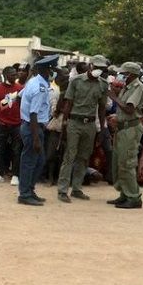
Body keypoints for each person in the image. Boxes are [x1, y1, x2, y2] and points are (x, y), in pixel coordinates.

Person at [56, 55, 109, 203]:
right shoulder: (76, 81)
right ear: (91, 66)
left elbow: (102, 108)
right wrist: (64, 124)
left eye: (102, 68)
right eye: (97, 67)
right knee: (69, 156)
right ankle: (62, 190)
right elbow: (68, 104)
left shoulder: (103, 84)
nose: (99, 70)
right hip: (75, 121)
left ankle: (77, 188)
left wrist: (102, 129)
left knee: (84, 158)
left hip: (90, 124)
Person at [106, 61, 143, 208]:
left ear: (131, 74)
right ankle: (124, 193)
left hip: (130, 130)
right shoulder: (127, 87)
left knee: (127, 163)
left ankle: (134, 197)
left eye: (123, 73)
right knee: (119, 162)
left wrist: (113, 97)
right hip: (122, 128)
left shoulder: (137, 87)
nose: (120, 76)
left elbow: (129, 109)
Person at [17, 57, 56, 205]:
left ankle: (29, 190)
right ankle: (25, 194)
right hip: (33, 128)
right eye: (52, 69)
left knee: (39, 161)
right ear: (45, 69)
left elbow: (19, 98)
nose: (53, 72)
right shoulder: (39, 86)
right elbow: (33, 113)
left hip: (30, 126)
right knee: (29, 162)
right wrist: (35, 138)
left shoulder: (33, 82)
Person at [0, 67, 22, 184]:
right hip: (2, 124)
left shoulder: (20, 88)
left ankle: (15, 175)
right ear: (6, 75)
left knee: (16, 150)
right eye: (12, 75)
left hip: (17, 124)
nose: (15, 76)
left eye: (15, 74)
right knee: (0, 149)